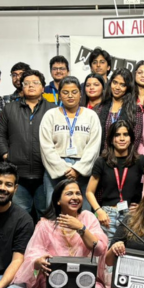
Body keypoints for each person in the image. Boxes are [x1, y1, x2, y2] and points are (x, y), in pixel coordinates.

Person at [14, 179, 115, 288]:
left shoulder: (88, 218)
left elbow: (99, 249)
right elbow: (33, 253)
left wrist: (81, 228)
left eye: (78, 193)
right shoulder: (46, 224)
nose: (75, 197)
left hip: (85, 279)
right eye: (69, 193)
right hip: (56, 279)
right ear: (58, 200)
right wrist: (39, 261)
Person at [0, 69, 52, 219]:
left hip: (45, 173)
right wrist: (6, 154)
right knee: (19, 215)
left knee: (45, 216)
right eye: (27, 83)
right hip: (17, 173)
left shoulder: (52, 110)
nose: (30, 86)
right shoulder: (10, 108)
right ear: (22, 87)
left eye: (35, 83)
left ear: (43, 88)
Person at [40, 76, 101, 212]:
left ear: (80, 94)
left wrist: (78, 170)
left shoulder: (91, 116)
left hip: (83, 169)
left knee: (83, 211)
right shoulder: (50, 115)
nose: (70, 96)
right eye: (65, 92)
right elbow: (46, 146)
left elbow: (94, 146)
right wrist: (64, 169)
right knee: (54, 211)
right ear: (60, 95)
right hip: (55, 169)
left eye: (74, 92)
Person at [87, 120, 144, 242]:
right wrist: (99, 211)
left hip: (132, 215)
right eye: (117, 135)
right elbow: (89, 192)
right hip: (107, 216)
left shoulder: (140, 161)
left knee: (129, 250)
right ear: (111, 139)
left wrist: (142, 207)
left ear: (131, 138)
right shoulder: (102, 161)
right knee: (106, 251)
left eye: (125, 134)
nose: (122, 138)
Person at [94, 68, 143, 152]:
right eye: (115, 82)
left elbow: (136, 139)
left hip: (125, 157)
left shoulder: (135, 110)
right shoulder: (99, 108)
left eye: (122, 85)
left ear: (128, 87)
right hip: (102, 156)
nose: (117, 87)